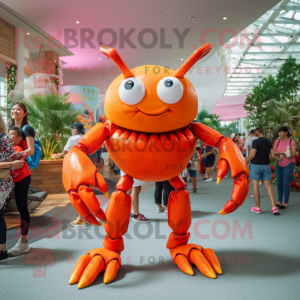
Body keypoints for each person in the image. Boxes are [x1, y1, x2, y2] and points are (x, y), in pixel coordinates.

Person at [7, 102, 35, 256]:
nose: (14, 111)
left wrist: (18, 154)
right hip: (9, 173)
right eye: (13, 109)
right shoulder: (8, 128)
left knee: (22, 207)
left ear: (25, 113)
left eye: (18, 109)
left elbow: (30, 150)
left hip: (22, 173)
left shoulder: (27, 129)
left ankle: (23, 241)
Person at [0, 112, 26, 261]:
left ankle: (2, 250)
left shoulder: (4, 138)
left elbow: (10, 160)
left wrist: (9, 164)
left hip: (1, 184)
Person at [246, 128, 279, 215]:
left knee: (255, 187)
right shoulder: (268, 142)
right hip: (266, 165)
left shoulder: (256, 142)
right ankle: (274, 207)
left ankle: (258, 208)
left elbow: (252, 154)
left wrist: (245, 161)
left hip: (255, 165)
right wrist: (265, 159)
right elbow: (272, 155)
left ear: (257, 132)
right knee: (268, 186)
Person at [274, 126, 297, 209]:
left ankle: (285, 202)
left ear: (286, 132)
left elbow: (294, 154)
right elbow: (274, 152)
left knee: (285, 183)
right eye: (278, 132)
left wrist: (286, 153)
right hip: (279, 164)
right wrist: (278, 154)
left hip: (289, 164)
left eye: (281, 132)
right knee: (279, 183)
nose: (279, 133)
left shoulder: (291, 141)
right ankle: (279, 201)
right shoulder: (277, 142)